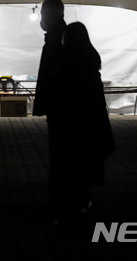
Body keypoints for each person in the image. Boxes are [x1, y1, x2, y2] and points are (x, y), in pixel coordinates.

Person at [53, 22, 115, 220]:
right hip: (89, 123)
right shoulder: (91, 61)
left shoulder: (65, 61)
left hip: (69, 123)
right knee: (84, 165)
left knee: (69, 164)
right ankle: (82, 201)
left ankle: (69, 201)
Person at [32, 0, 66, 218]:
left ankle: (60, 200)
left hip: (62, 107)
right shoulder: (58, 37)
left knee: (62, 155)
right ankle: (62, 198)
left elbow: (57, 73)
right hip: (60, 105)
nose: (41, 19)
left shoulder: (60, 39)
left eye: (43, 14)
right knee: (62, 155)